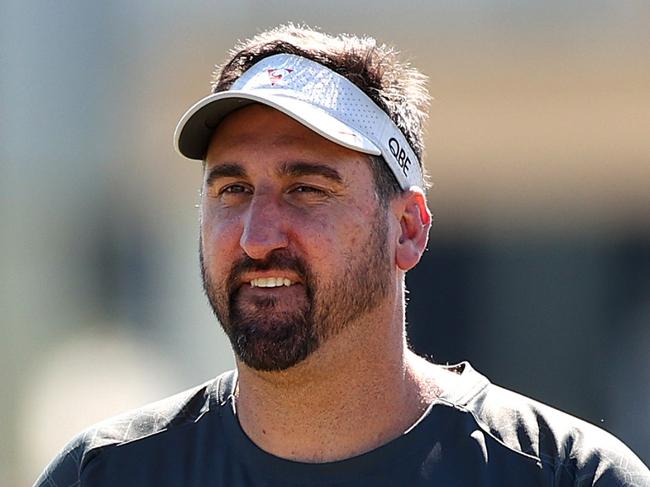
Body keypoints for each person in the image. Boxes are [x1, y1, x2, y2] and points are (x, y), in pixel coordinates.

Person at [35, 24, 649, 487]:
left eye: (306, 189)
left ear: (407, 228)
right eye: (233, 190)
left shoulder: (567, 475)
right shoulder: (105, 473)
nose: (257, 235)